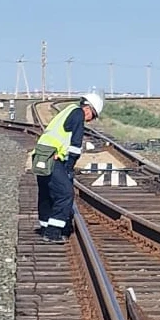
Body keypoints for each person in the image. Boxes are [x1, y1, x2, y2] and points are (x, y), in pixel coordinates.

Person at [30, 93, 104, 243]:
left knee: (46, 192)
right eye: (94, 116)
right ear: (89, 109)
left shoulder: (68, 110)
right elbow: (75, 146)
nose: (91, 120)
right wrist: (69, 167)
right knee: (66, 193)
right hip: (52, 157)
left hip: (40, 154)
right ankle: (53, 232)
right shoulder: (78, 115)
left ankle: (45, 226)